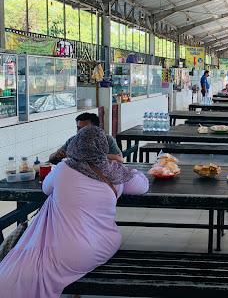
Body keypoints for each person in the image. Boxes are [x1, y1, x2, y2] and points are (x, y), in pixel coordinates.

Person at [0, 126, 149, 297]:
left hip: (61, 250)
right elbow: (142, 185)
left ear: (75, 146)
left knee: (14, 272)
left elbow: (47, 189)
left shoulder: (63, 169)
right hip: (102, 246)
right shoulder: (114, 172)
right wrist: (131, 170)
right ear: (103, 147)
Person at [49, 112, 123, 164]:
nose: (80, 132)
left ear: (96, 129)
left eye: (84, 129)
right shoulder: (72, 140)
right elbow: (52, 159)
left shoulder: (107, 140)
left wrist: (89, 156)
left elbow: (120, 160)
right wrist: (56, 155)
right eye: (78, 128)